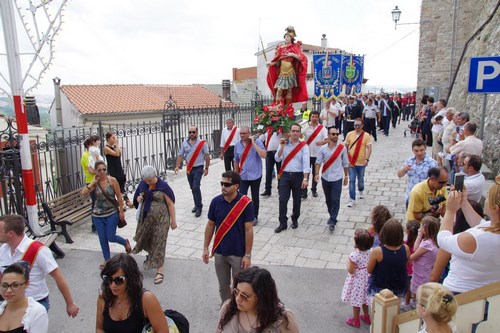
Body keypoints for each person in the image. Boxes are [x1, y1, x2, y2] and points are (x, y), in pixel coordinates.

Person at [0, 215, 79, 316]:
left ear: (11, 233)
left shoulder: (38, 251)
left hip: (35, 304)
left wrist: (70, 304)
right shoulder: (3, 250)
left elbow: (59, 278)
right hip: (11, 303)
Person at [437, 177, 500, 293]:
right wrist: (463, 202)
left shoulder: (474, 239)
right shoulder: (492, 229)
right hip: (485, 293)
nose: (485, 198)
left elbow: (443, 240)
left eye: (488, 196)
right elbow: (481, 224)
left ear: (495, 208)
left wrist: (450, 211)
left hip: (460, 293)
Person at [202, 171, 254, 303]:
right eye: (221, 183)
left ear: (236, 186)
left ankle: (238, 309)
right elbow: (210, 225)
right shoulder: (215, 202)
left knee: (239, 286)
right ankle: (226, 309)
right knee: (223, 287)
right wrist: (205, 248)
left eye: (227, 184)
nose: (223, 187)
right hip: (220, 252)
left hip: (238, 253)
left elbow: (249, 230)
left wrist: (247, 255)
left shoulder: (246, 204)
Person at [96, 253, 169, 333]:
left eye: (119, 280)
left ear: (131, 279)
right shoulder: (103, 298)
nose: (113, 285)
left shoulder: (146, 299)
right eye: (109, 279)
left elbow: (163, 330)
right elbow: (99, 328)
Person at [215, 266, 300, 333]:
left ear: (261, 297)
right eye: (236, 291)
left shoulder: (282, 320)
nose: (238, 299)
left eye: (244, 296)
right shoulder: (228, 309)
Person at [81, 160, 131, 268]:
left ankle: (124, 242)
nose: (102, 172)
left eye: (104, 169)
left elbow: (119, 196)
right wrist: (93, 183)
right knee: (102, 239)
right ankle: (107, 260)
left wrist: (121, 211)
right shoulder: (95, 184)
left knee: (110, 236)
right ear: (96, 172)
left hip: (111, 213)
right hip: (97, 216)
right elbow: (83, 193)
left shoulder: (112, 180)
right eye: (99, 170)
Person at [132, 166, 177, 285]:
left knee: (159, 242)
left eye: (150, 180)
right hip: (146, 219)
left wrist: (173, 221)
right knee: (150, 240)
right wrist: (138, 198)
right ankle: (152, 257)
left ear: (155, 176)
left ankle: (160, 270)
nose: (148, 183)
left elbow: (170, 204)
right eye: (146, 180)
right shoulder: (143, 184)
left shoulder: (163, 187)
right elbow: (135, 200)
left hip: (162, 220)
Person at [274, 124, 310, 233]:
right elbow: (277, 158)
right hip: (285, 175)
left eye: (297, 131)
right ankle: (282, 222)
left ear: (300, 133)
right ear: (290, 132)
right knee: (282, 199)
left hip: (298, 176)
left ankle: (295, 219)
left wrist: (305, 179)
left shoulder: (303, 145)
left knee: (297, 200)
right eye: (293, 131)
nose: (295, 133)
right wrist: (282, 148)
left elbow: (306, 163)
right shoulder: (283, 142)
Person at [314, 127, 349, 231]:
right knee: (328, 200)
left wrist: (346, 176)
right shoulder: (323, 149)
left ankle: (333, 219)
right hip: (325, 178)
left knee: (335, 199)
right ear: (328, 135)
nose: (335, 136)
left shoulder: (342, 148)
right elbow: (318, 162)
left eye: (337, 134)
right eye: (333, 134)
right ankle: (332, 214)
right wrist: (316, 173)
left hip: (337, 178)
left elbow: (345, 163)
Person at [0, 262, 48, 333]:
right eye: (4, 285)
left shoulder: (37, 312)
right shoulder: (1, 309)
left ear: (27, 284)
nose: (9, 290)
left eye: (15, 285)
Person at [367, 218, 410, 298]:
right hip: (398, 287)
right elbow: (405, 263)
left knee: (378, 309)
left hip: (380, 288)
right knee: (394, 307)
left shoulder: (377, 251)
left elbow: (369, 270)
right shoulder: (406, 248)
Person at [233, 126, 266, 226]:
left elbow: (263, 155)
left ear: (249, 133)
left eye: (245, 133)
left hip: (255, 175)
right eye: (241, 134)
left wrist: (254, 143)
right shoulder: (237, 145)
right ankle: (241, 215)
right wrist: (235, 174)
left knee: (255, 196)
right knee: (241, 196)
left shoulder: (257, 142)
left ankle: (254, 216)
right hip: (243, 176)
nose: (242, 135)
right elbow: (236, 160)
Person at [175, 126, 210, 218]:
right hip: (189, 169)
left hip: (198, 168)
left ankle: (199, 207)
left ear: (197, 132)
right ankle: (196, 204)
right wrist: (177, 166)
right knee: (192, 187)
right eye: (190, 132)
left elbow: (207, 155)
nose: (191, 134)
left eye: (193, 132)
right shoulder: (184, 143)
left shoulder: (202, 143)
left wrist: (206, 168)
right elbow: (180, 155)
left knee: (196, 186)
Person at [266, 26, 308, 105]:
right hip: (282, 72)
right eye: (285, 37)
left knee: (289, 91)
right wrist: (271, 63)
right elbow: (278, 60)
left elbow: (302, 58)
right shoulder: (281, 48)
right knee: (279, 90)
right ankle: (277, 107)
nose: (286, 38)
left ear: (291, 38)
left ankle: (288, 107)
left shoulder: (295, 48)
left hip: (291, 72)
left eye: (288, 36)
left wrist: (292, 54)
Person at [341, 228, 374, 328]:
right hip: (367, 279)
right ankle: (367, 316)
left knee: (356, 300)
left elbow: (351, 270)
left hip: (357, 281)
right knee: (364, 299)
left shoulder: (354, 256)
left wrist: (348, 262)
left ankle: (355, 320)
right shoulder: (371, 252)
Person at [398, 139, 438, 208]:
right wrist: (404, 169)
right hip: (410, 196)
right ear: (412, 150)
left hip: (424, 199)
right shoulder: (410, 161)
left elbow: (434, 183)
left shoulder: (432, 163)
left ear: (425, 148)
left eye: (421, 150)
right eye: (416, 151)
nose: (419, 153)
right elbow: (399, 174)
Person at [409, 217, 439, 299]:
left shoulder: (427, 245)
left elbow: (413, 256)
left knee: (420, 291)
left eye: (421, 226)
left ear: (425, 229)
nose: (419, 228)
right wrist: (420, 234)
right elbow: (416, 248)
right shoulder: (431, 241)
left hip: (422, 273)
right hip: (425, 270)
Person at [345, 118, 372, 207]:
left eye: (358, 125)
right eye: (355, 125)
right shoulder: (349, 134)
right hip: (351, 162)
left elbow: (369, 148)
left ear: (362, 126)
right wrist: (346, 159)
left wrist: (367, 159)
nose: (356, 127)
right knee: (352, 180)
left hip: (361, 162)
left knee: (360, 180)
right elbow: (346, 147)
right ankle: (352, 199)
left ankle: (361, 190)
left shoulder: (366, 136)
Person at [103, 132, 133, 209]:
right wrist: (116, 144)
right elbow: (116, 154)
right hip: (113, 170)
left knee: (122, 185)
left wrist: (117, 144)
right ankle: (121, 203)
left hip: (119, 168)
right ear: (108, 138)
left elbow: (120, 153)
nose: (114, 139)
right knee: (116, 187)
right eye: (113, 137)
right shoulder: (106, 148)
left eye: (115, 137)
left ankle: (126, 201)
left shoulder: (115, 147)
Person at [303, 111, 328, 199]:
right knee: (305, 173)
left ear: (318, 118)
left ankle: (314, 189)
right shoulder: (305, 127)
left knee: (315, 173)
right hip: (307, 154)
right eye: (312, 116)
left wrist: (322, 142)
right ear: (310, 117)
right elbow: (300, 136)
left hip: (317, 154)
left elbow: (327, 139)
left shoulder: (322, 128)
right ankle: (304, 191)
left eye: (316, 117)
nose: (314, 118)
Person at [402, 220, 420, 311]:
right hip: (416, 270)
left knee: (408, 288)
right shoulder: (420, 244)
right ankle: (414, 301)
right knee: (415, 286)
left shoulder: (406, 244)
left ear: (408, 231)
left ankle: (406, 303)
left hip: (408, 270)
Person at [260, 131, 282, 197]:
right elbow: (261, 139)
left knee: (279, 172)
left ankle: (280, 188)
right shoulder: (267, 130)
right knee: (268, 172)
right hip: (269, 153)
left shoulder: (281, 129)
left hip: (278, 152)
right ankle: (268, 189)